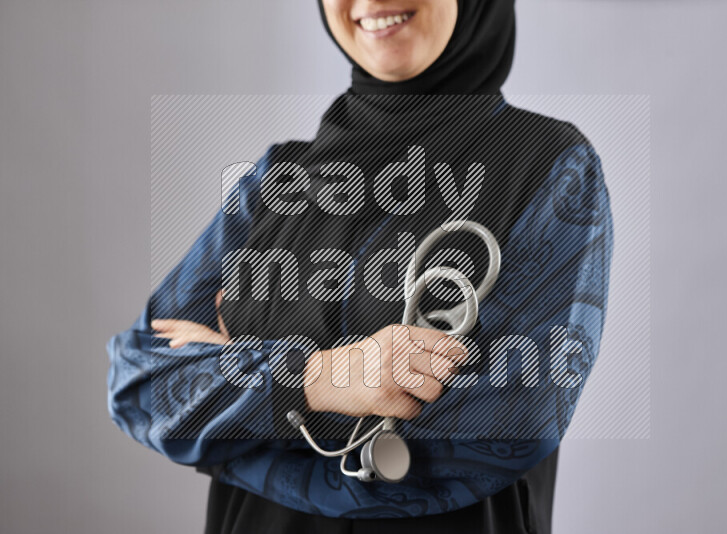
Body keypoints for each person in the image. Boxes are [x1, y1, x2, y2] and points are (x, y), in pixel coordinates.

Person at [106, 0, 614, 532]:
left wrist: (226, 428)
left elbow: (507, 429)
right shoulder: (275, 179)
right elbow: (137, 386)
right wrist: (322, 379)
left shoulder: (550, 167)